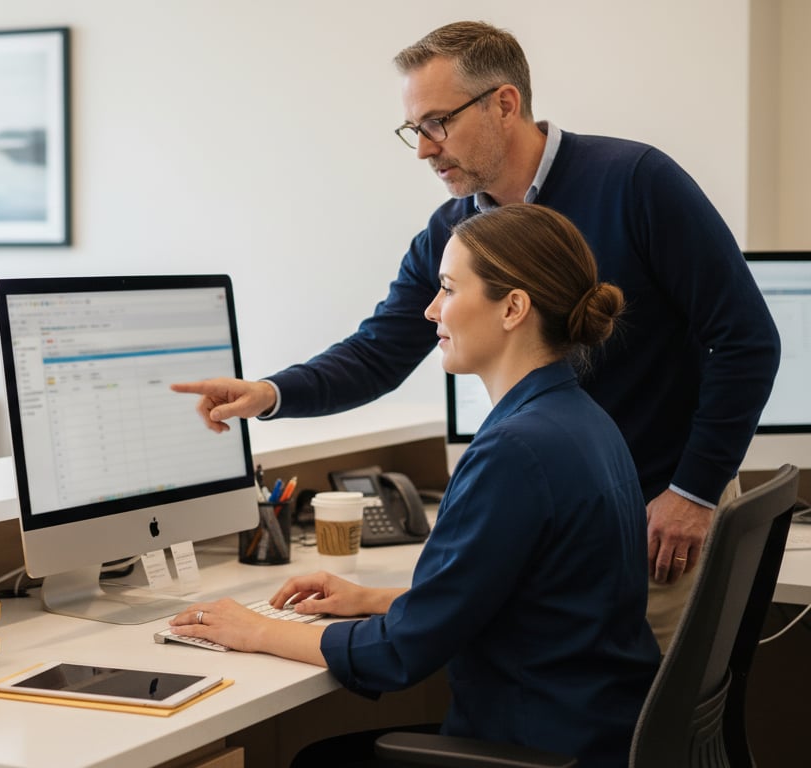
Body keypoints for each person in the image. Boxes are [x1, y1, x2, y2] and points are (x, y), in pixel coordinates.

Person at [172, 20, 779, 651]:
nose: (424, 149)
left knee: (630, 728)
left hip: (661, 520)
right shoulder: (454, 230)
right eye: (415, 129)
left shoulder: (636, 181)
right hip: (566, 527)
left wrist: (692, 493)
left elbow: (746, 340)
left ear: (505, 104)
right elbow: (381, 350)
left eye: (438, 123)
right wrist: (269, 393)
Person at [169, 203, 661, 767]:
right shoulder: (582, 420)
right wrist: (374, 599)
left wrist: (254, 630)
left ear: (513, 308)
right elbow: (527, 600)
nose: (431, 310)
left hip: (533, 744)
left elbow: (400, 653)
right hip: (593, 731)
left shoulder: (515, 450)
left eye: (449, 288)